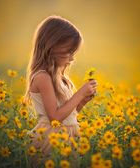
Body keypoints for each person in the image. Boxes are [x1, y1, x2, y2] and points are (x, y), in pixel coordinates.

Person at [23, 15, 97, 167]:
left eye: (73, 53)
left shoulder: (60, 78)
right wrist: (79, 94)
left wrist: (83, 100)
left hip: (67, 137)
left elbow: (68, 114)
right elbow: (55, 119)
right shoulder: (42, 77)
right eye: (69, 52)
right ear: (52, 46)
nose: (71, 58)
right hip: (51, 139)